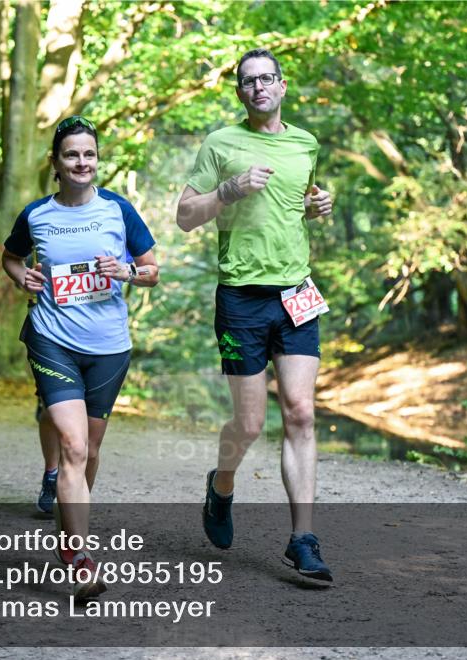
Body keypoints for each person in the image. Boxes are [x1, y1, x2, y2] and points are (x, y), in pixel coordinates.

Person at [175, 48, 335, 582]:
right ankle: (221, 489)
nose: (258, 87)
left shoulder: (305, 142)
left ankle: (303, 539)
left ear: (283, 85)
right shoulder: (221, 144)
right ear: (239, 91)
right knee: (248, 422)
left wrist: (316, 207)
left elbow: (298, 203)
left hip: (296, 292)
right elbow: (184, 216)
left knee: (301, 412)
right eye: (248, 81)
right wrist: (228, 190)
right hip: (241, 297)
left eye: (267, 78)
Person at [1, 115, 159, 600]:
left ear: (97, 160)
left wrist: (127, 270)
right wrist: (20, 275)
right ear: (56, 162)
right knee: (71, 446)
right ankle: (80, 557)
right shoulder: (36, 215)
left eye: (89, 154)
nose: (81, 162)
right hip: (52, 338)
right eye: (71, 154)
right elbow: (10, 256)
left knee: (88, 451)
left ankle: (67, 528)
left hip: (109, 346)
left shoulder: (118, 210)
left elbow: (152, 268)